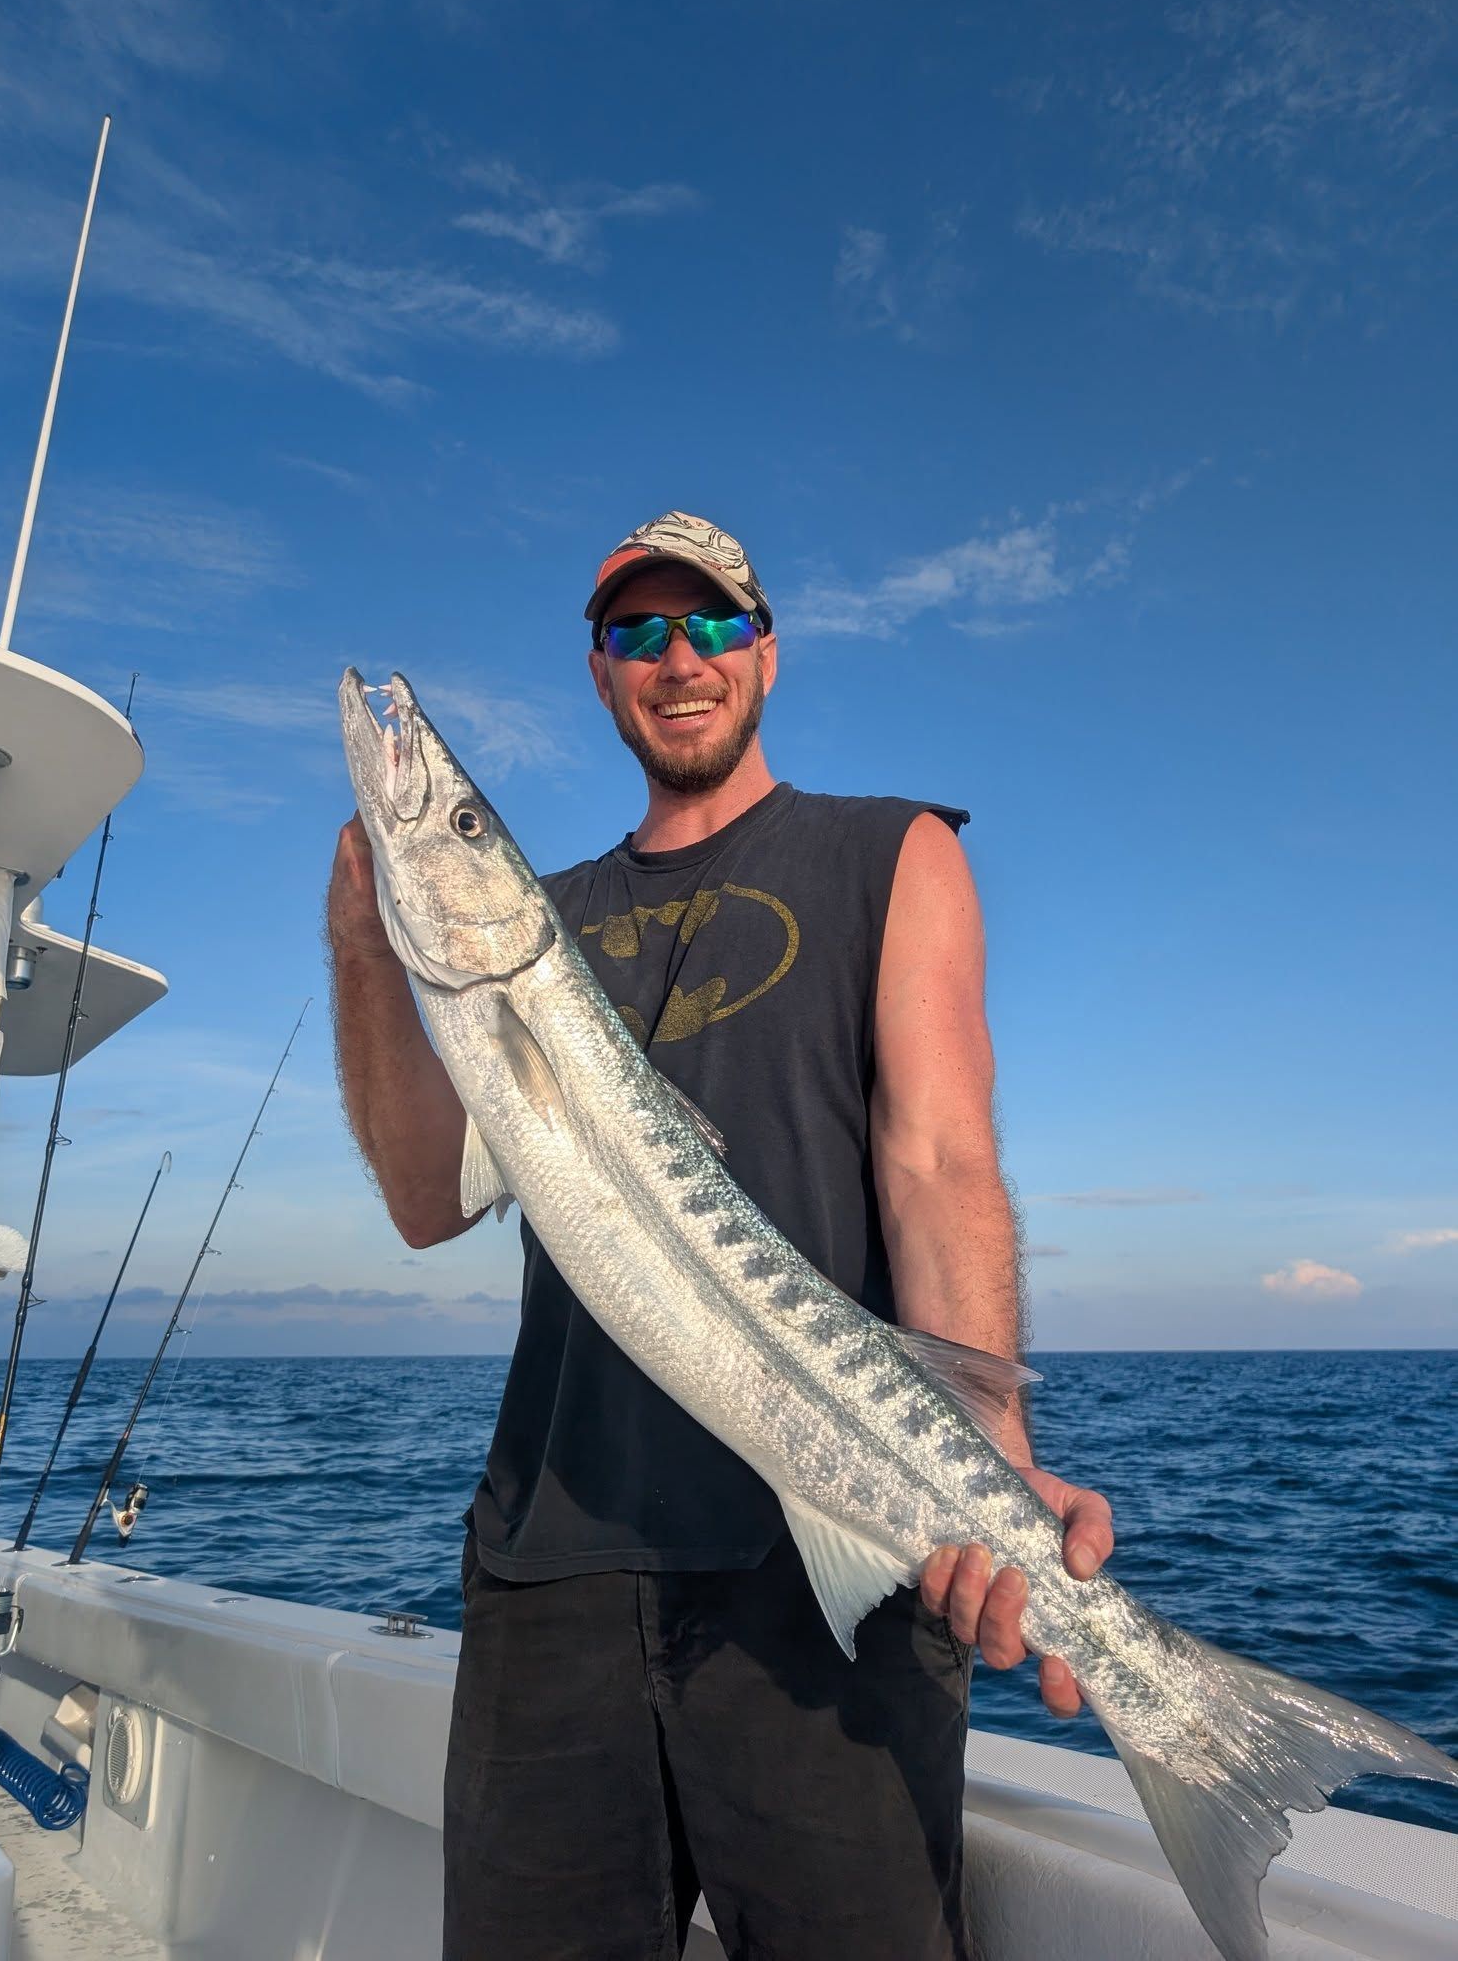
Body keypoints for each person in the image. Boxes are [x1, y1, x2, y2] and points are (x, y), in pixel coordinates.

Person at [327, 510, 1115, 1961]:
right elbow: (429, 1201)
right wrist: (369, 928)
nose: (676, 658)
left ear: (766, 651)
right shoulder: (536, 920)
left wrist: (988, 1452)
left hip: (831, 1554)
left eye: (710, 625)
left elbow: (935, 1160)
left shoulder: (890, 851)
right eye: (637, 632)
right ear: (598, 670)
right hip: (548, 1562)